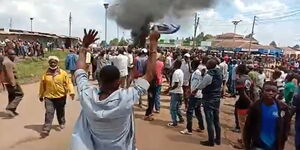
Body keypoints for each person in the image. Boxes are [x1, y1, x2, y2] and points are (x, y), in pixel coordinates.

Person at [71, 29, 159, 150]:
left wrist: (84, 46)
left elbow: (79, 71)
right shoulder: (127, 98)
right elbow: (149, 75)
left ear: (99, 81)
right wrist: (153, 43)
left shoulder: (86, 96)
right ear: (118, 82)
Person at [244, 81, 292, 150]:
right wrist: (247, 145)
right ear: (262, 91)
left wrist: (283, 139)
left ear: (277, 92)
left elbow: (286, 126)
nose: (270, 93)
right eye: (267, 90)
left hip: (275, 146)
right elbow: (247, 127)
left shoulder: (283, 107)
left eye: (273, 91)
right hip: (258, 145)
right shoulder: (255, 107)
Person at [39, 56, 75, 137]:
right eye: (51, 62)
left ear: (57, 63)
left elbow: (69, 83)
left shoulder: (63, 73)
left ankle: (62, 122)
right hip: (49, 97)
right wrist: (41, 95)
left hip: (61, 96)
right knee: (49, 112)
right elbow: (42, 86)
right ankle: (46, 129)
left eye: (54, 62)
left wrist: (71, 92)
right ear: (49, 63)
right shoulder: (45, 75)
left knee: (60, 111)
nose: (53, 63)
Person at [193, 59, 223, 147]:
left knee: (209, 120)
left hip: (209, 98)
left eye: (208, 64)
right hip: (217, 98)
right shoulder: (219, 73)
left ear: (210, 66)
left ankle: (210, 141)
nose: (206, 65)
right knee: (216, 120)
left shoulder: (209, 75)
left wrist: (195, 90)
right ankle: (218, 139)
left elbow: (202, 85)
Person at [180, 59, 205, 135]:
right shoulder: (196, 72)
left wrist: (192, 92)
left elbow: (197, 84)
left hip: (195, 95)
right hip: (197, 95)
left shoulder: (197, 73)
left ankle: (189, 129)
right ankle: (201, 127)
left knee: (189, 112)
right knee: (197, 111)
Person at [234, 64, 254, 149]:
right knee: (247, 124)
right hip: (249, 102)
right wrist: (252, 101)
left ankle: (244, 143)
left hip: (243, 104)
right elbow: (252, 91)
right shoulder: (249, 79)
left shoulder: (239, 80)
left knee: (243, 125)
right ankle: (244, 139)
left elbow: (242, 94)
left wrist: (250, 102)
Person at [1, 49, 24, 117]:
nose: (14, 56)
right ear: (7, 55)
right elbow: (10, 74)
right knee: (20, 94)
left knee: (12, 96)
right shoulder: (8, 62)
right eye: (12, 54)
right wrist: (13, 84)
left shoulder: (5, 61)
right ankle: (10, 108)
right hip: (11, 82)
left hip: (7, 82)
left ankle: (12, 111)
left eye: (14, 54)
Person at [167, 60, 184, 127]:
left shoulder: (176, 72)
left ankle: (174, 122)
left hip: (176, 92)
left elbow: (176, 84)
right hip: (180, 91)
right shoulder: (181, 71)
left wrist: (169, 89)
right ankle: (181, 119)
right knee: (177, 108)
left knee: (173, 108)